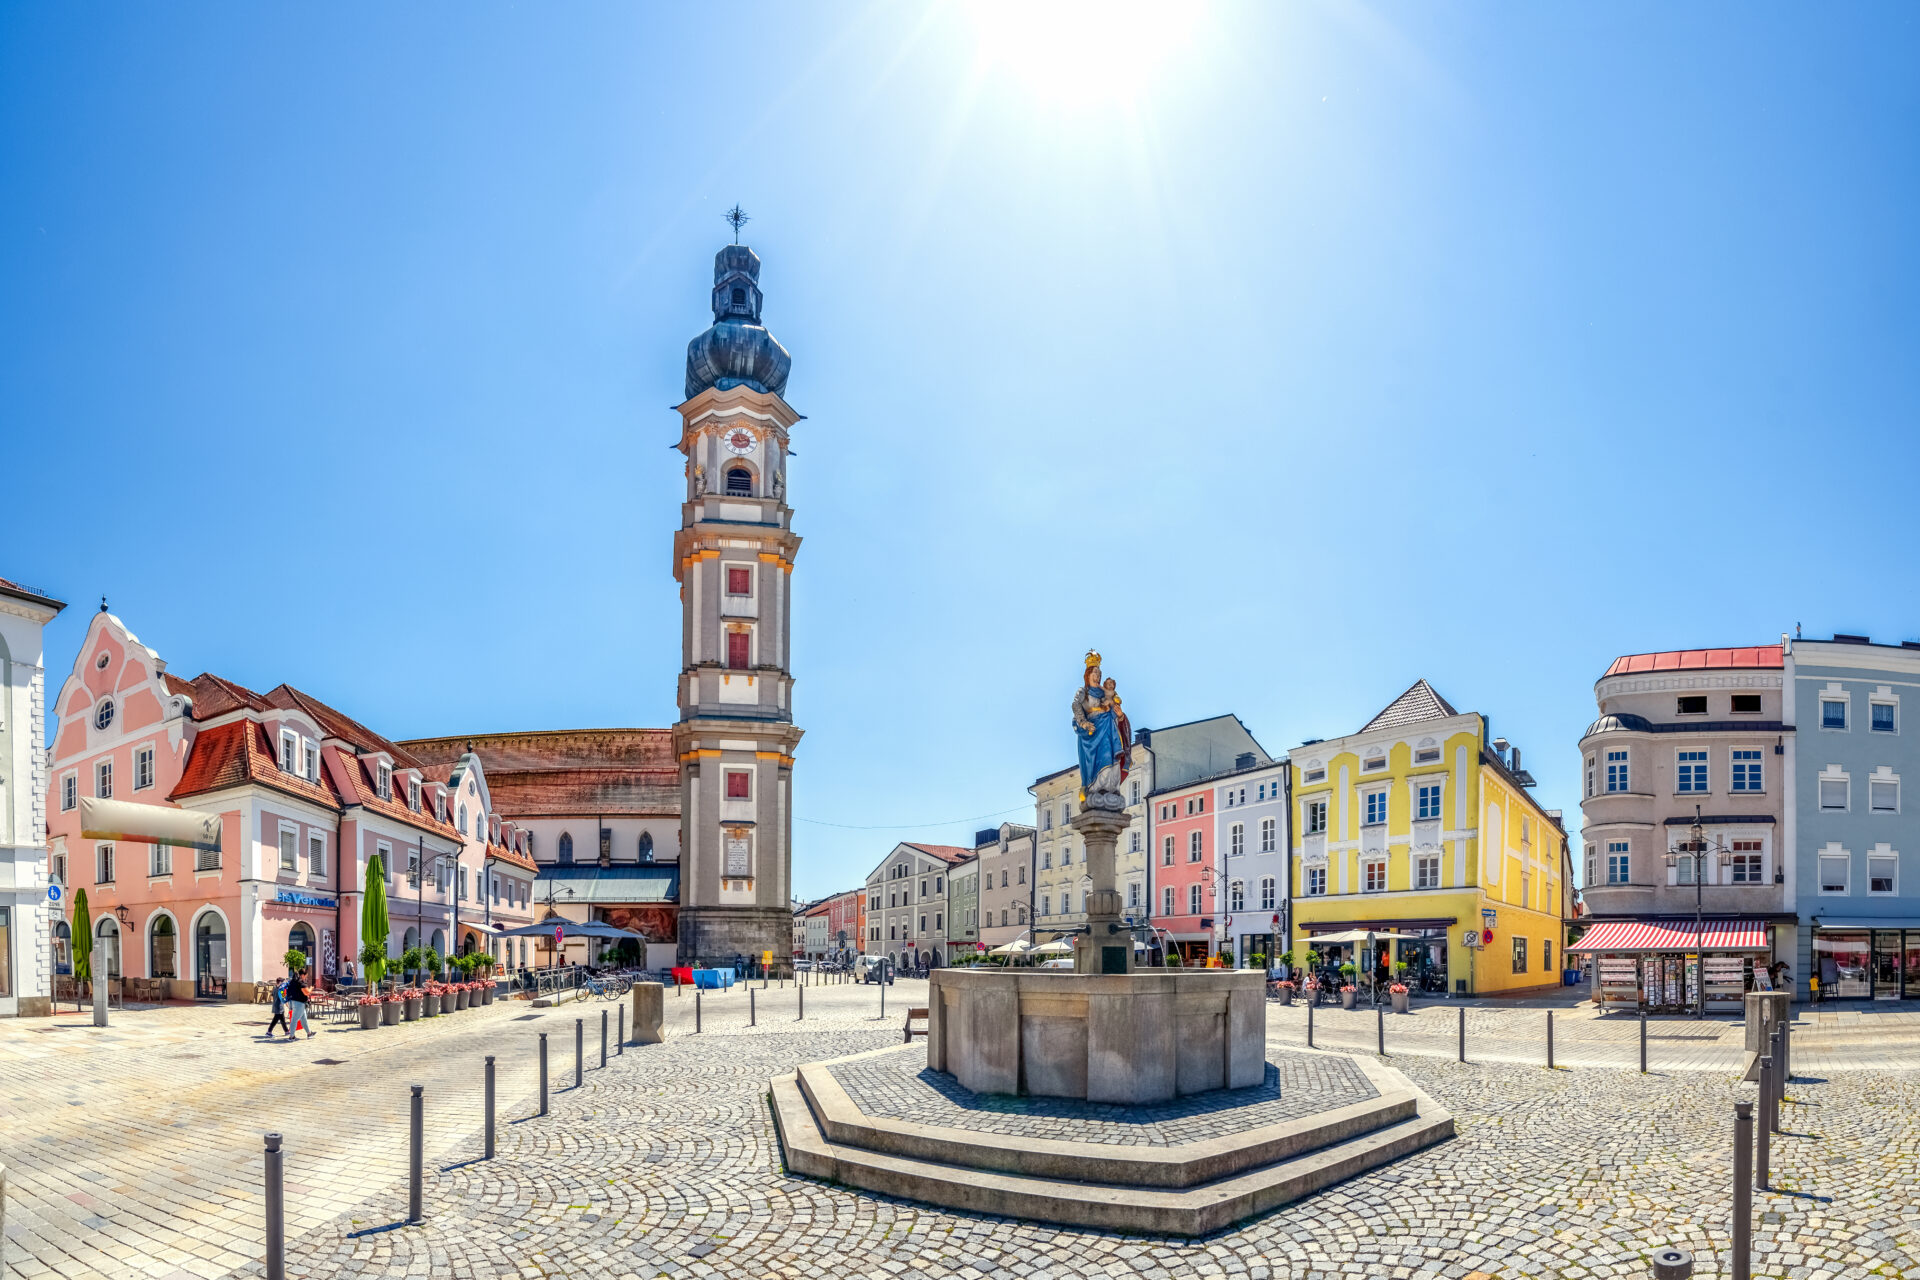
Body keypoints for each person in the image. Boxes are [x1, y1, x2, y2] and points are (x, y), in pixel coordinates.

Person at [284, 965, 313, 1040]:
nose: (306, 978)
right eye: (306, 976)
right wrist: (311, 988)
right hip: (299, 1003)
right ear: (302, 975)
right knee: (294, 1019)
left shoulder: (294, 981)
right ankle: (291, 1036)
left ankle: (309, 1033)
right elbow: (307, 993)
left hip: (294, 1002)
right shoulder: (301, 983)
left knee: (304, 1019)